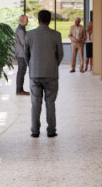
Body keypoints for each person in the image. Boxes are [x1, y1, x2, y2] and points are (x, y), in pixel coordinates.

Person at [25, 9, 64, 138]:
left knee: (35, 103)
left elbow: (26, 55)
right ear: (50, 20)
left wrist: (32, 66)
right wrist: (53, 65)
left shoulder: (29, 34)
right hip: (51, 74)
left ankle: (35, 131)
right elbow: (60, 55)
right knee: (50, 102)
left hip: (35, 73)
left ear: (38, 20)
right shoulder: (56, 35)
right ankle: (51, 131)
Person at [12, 14, 30, 95]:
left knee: (22, 72)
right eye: (27, 20)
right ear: (22, 21)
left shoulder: (22, 29)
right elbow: (24, 43)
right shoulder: (20, 30)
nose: (28, 21)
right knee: (21, 72)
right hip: (21, 54)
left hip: (22, 54)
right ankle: (19, 91)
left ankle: (20, 90)